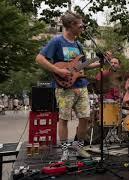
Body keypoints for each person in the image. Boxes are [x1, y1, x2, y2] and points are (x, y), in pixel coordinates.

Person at [35, 11, 106, 160]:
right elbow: (39, 58)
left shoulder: (79, 45)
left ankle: (78, 147)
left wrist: (101, 63)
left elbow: (81, 67)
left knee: (85, 118)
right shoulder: (57, 41)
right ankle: (65, 150)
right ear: (71, 25)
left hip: (81, 85)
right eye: (80, 25)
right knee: (64, 119)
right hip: (64, 88)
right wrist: (57, 70)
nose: (82, 27)